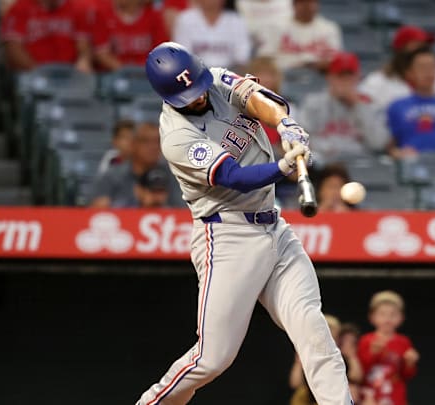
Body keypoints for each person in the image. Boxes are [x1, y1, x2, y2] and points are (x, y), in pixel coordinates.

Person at [135, 42, 352, 405]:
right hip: (227, 234)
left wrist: (285, 125)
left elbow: (259, 99)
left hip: (274, 228)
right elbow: (233, 176)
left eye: (199, 86)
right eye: (187, 95)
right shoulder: (176, 135)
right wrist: (283, 168)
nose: (199, 96)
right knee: (212, 359)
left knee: (313, 329)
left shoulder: (213, 79)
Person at [297, 52, 389, 161]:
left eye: (349, 77)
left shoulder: (369, 106)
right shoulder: (313, 103)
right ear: (329, 77)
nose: (345, 82)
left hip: (359, 165)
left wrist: (358, 106)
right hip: (325, 164)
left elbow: (379, 143)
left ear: (357, 78)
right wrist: (328, 149)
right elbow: (300, 139)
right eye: (340, 76)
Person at [359, 25, 435, 116]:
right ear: (402, 51)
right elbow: (363, 113)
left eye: (426, 48)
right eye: (419, 48)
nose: (424, 51)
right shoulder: (376, 81)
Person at [89, 121, 181, 208]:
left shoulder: (174, 175)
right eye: (146, 141)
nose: (153, 147)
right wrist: (136, 201)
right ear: (133, 144)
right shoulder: (112, 176)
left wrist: (161, 205)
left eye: (158, 141)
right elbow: (96, 214)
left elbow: (187, 211)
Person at [358, 291, 419, 405]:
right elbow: (360, 372)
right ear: (372, 317)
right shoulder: (365, 340)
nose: (387, 319)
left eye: (393, 314)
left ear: (401, 318)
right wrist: (372, 354)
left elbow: (407, 375)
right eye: (382, 314)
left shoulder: (404, 342)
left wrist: (410, 363)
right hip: (371, 397)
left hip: (395, 397)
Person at [0, 0, 91, 72]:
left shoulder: (76, 7)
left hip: (68, 77)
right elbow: (13, 50)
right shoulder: (19, 8)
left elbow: (83, 45)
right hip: (32, 77)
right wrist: (39, 72)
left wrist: (84, 60)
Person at [258, 0, 343, 71]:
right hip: (284, 75)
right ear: (294, 5)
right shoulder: (276, 27)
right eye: (302, 2)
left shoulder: (329, 28)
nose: (307, 6)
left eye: (311, 2)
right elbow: (264, 59)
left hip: (318, 76)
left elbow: (336, 61)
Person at [87, 0, 168, 71]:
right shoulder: (103, 13)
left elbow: (161, 53)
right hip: (113, 74)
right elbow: (102, 54)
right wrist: (126, 71)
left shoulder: (154, 16)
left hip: (146, 74)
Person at [172, 0, 251, 69]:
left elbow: (242, 55)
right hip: (196, 73)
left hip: (230, 72)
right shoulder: (185, 19)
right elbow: (183, 53)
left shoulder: (235, 19)